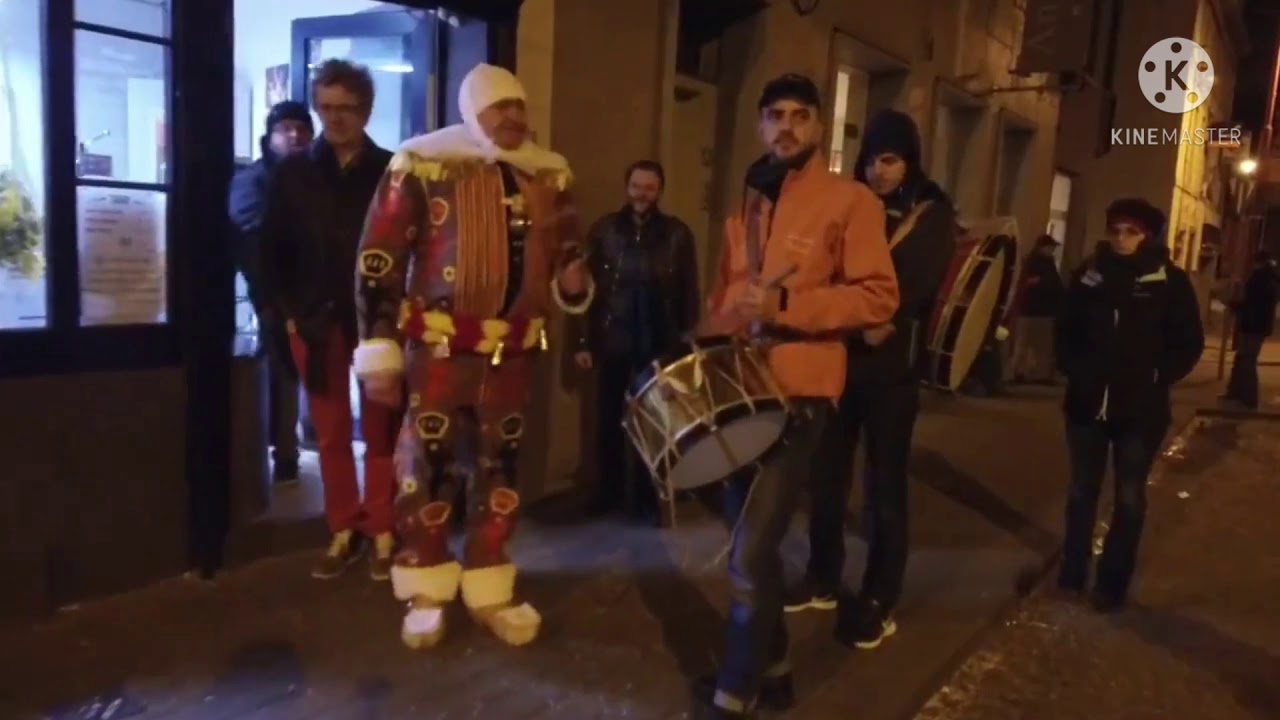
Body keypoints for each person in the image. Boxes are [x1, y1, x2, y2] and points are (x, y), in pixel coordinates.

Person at [351, 63, 592, 650]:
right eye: (499, 107)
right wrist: (378, 347)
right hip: (437, 351)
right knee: (427, 463)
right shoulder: (423, 164)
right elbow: (379, 255)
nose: (512, 117)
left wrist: (575, 281)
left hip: (511, 354)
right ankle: (426, 583)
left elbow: (569, 250)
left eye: (519, 106)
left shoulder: (548, 173)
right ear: (472, 111)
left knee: (499, 466)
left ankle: (490, 581)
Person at [692, 73, 899, 718]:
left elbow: (878, 298)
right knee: (751, 544)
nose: (786, 126)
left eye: (799, 115)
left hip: (801, 395)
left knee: (750, 552)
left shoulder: (850, 201)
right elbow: (725, 295)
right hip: (742, 392)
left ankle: (736, 690)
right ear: (761, 125)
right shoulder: (748, 206)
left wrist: (786, 305)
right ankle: (776, 667)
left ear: (818, 126)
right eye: (775, 115)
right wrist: (707, 340)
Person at [783, 110, 956, 652]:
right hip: (839, 362)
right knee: (826, 477)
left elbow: (909, 286)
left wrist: (856, 309)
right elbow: (825, 267)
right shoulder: (850, 203)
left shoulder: (930, 211)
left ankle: (881, 596)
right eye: (871, 160)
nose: (878, 171)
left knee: (884, 489)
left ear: (909, 162)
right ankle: (823, 575)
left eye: (890, 160)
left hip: (892, 374)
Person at [259, 60, 398, 581]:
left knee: (383, 426)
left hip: (378, 319)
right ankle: (343, 528)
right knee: (331, 430)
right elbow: (270, 249)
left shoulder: (392, 170)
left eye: (347, 108)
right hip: (314, 318)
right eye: (326, 107)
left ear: (366, 110)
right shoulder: (293, 173)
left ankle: (382, 526)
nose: (335, 118)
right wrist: (289, 314)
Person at [1054, 198, 1204, 612]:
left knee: (1129, 497)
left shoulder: (1168, 281)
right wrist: (1074, 368)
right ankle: (1072, 574)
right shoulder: (1091, 274)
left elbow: (1188, 341)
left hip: (1140, 412)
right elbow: (1066, 328)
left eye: (1131, 232)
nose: (1121, 239)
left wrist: (1157, 374)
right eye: (1115, 230)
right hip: (1086, 406)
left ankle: (1111, 583)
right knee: (1081, 493)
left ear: (1147, 236)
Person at [572, 160, 700, 523]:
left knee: (653, 423)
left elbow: (689, 288)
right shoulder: (604, 231)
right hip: (612, 336)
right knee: (608, 421)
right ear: (626, 187)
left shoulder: (677, 234)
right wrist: (583, 341)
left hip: (658, 339)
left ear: (659, 191)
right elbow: (585, 291)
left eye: (649, 187)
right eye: (636, 186)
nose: (642, 194)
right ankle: (608, 494)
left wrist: (686, 336)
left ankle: (647, 498)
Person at [228, 100, 313, 485]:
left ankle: (294, 447)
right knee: (281, 371)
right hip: (272, 292)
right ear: (271, 135)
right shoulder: (253, 179)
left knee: (301, 371)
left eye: (302, 128)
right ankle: (284, 455)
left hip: (314, 293)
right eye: (285, 129)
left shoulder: (314, 176)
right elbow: (252, 233)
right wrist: (268, 296)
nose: (294, 135)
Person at [1222, 251, 1278, 410]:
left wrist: (1235, 305)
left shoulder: (1260, 279)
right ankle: (1235, 392)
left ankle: (1248, 398)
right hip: (1256, 325)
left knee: (1247, 360)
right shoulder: (1268, 279)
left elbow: (1252, 303)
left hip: (1254, 326)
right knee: (1242, 358)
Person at [1012, 234, 1066, 384]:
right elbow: (1045, 284)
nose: (1052, 250)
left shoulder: (1041, 261)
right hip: (1036, 309)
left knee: (1033, 344)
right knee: (1032, 343)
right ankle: (1029, 373)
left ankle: (1029, 373)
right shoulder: (1037, 262)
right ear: (1042, 247)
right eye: (1050, 247)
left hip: (1038, 309)